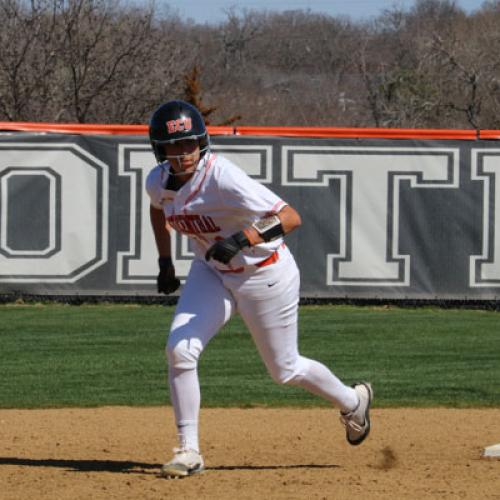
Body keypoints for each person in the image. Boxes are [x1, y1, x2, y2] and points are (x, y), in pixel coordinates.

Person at [145, 99, 373, 479]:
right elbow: (158, 208)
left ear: (202, 143)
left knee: (284, 370)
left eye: (189, 144)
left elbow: (289, 217)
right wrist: (165, 261)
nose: (183, 153)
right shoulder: (158, 180)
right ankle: (189, 450)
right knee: (180, 350)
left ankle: (353, 401)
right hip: (212, 271)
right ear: (160, 149)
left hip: (264, 273)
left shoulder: (222, 177)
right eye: (174, 146)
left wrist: (242, 239)